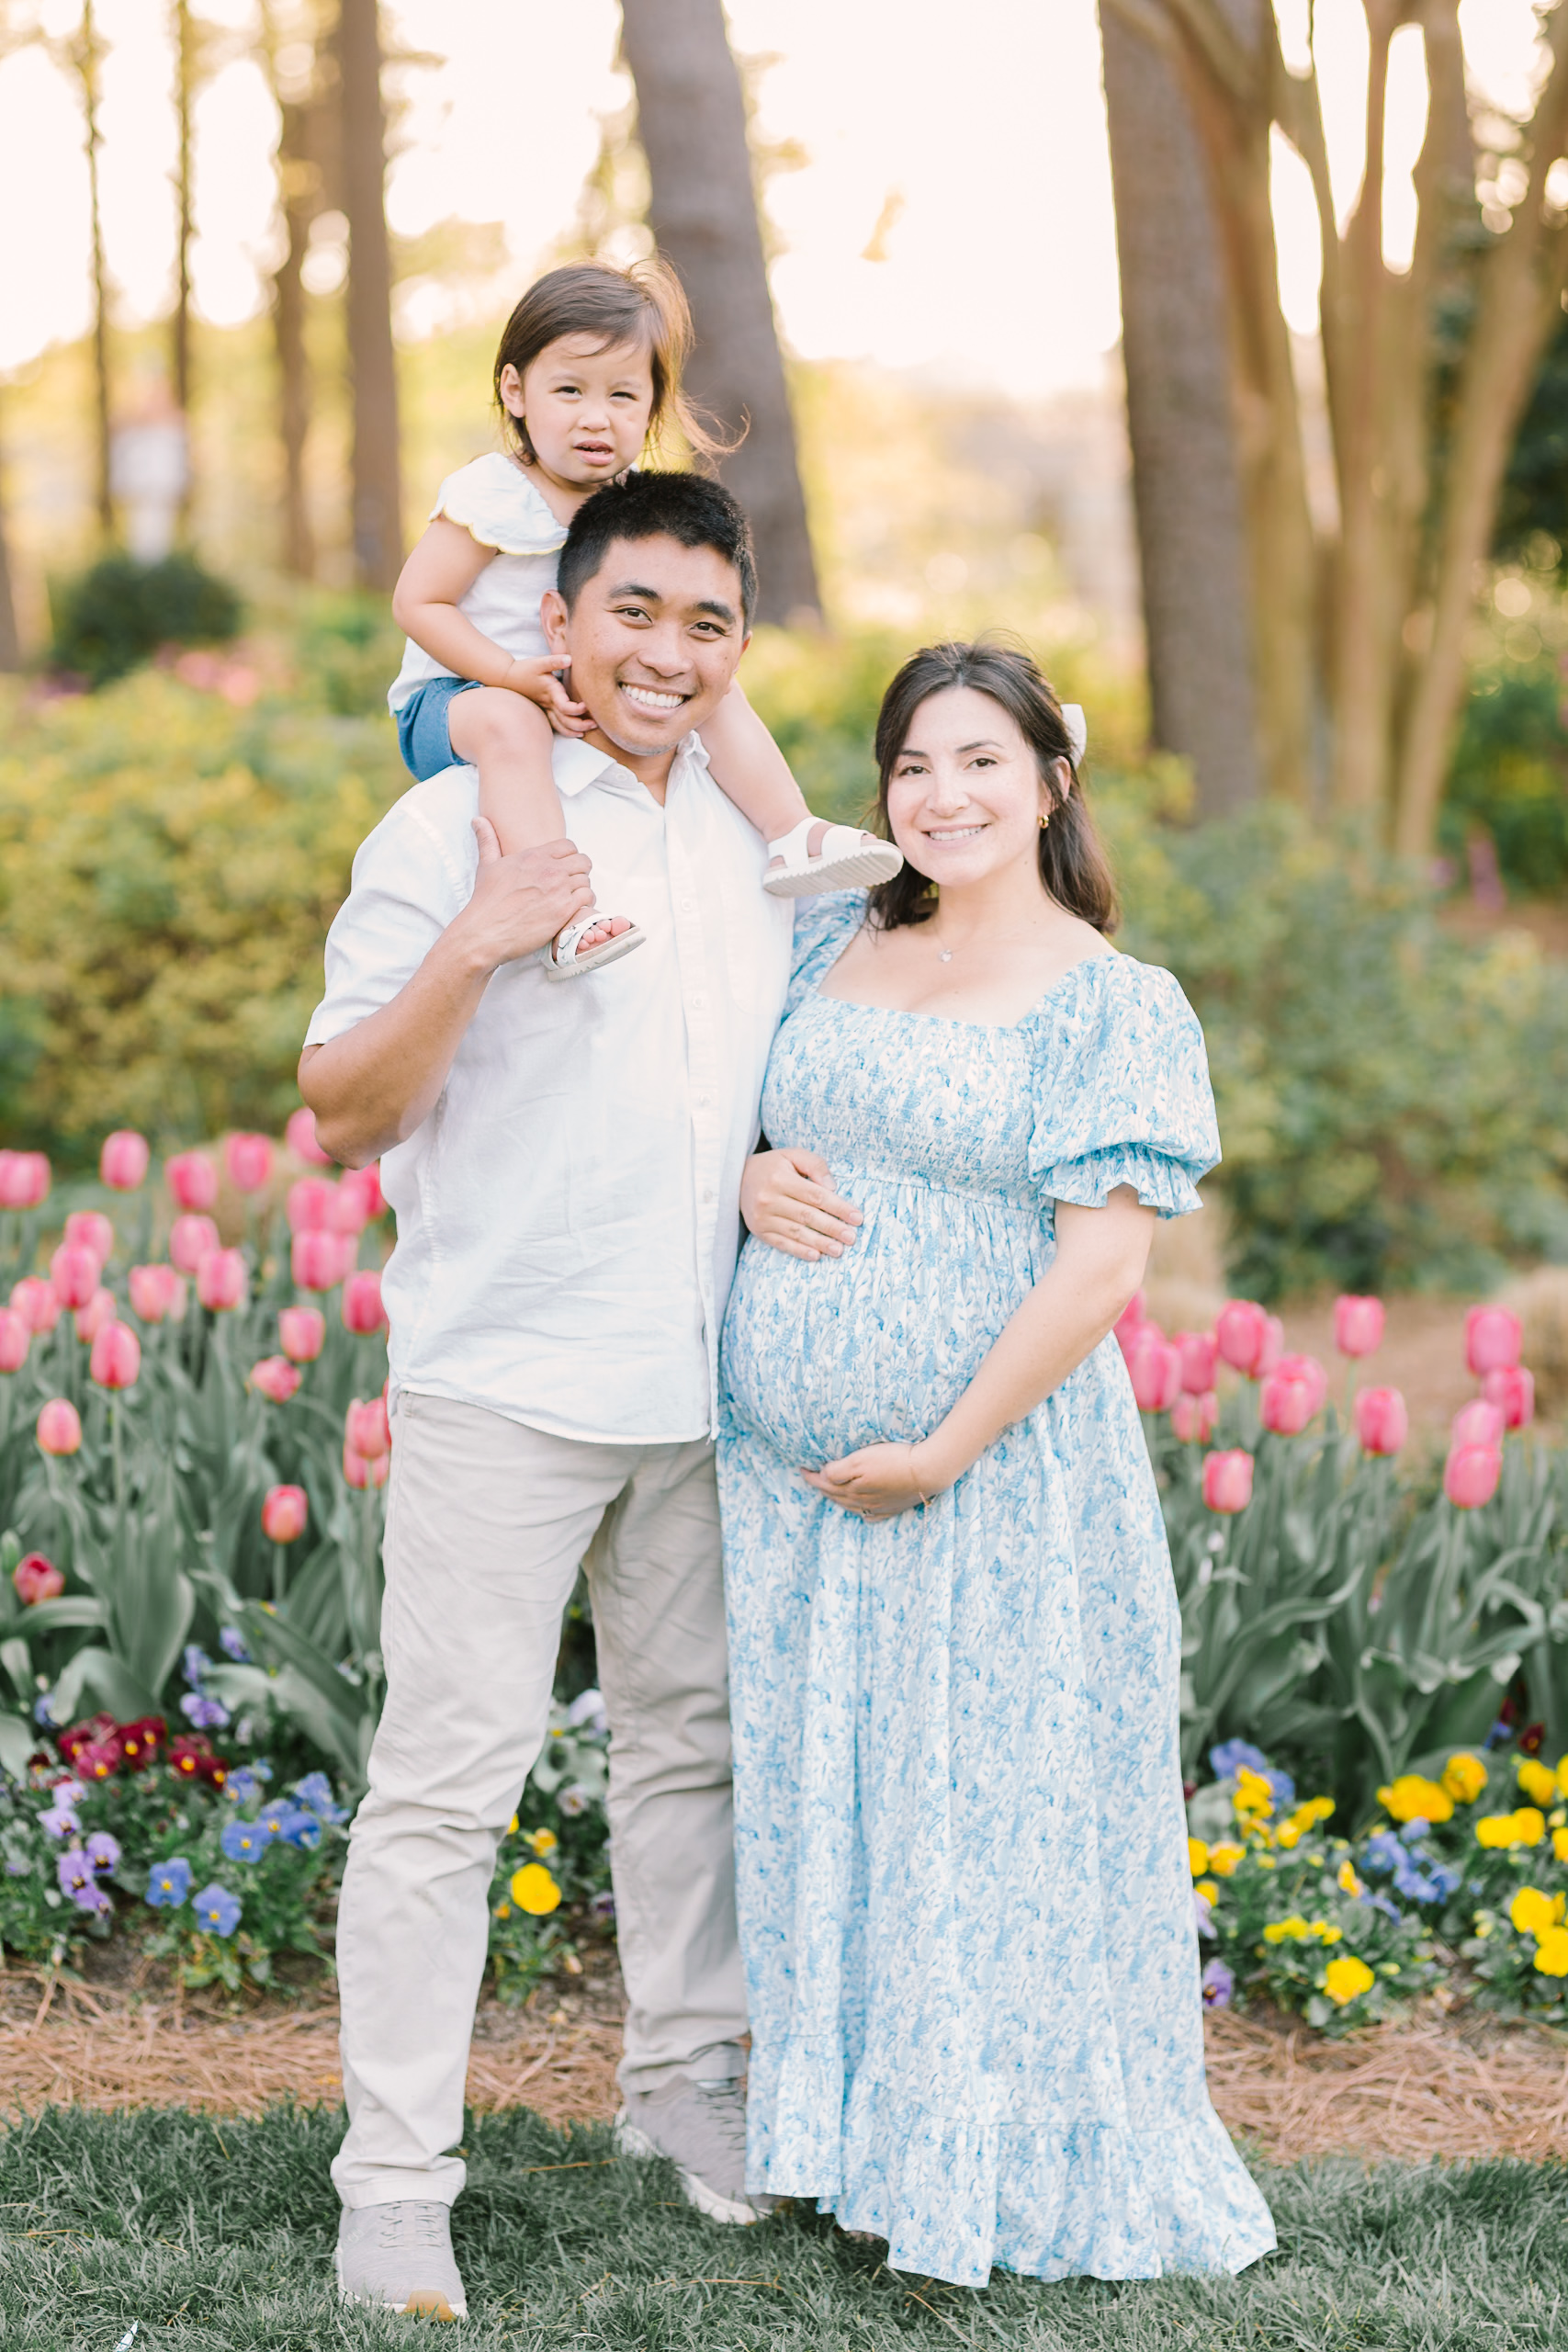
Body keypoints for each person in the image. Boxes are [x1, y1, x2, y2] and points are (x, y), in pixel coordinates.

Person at [716, 640, 1277, 2288]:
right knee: (852, 1806)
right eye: (910, 766)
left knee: (992, 1823)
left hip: (993, 1480)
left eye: (977, 761)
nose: (940, 796)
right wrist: (749, 1180)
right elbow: (743, 1124)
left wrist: (941, 1450)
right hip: (794, 1489)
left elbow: (1100, 1273)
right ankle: (860, 2144)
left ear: (1048, 780)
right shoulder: (834, 934)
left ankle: (1003, 2170)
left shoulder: (1111, 1000)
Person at [300, 470, 795, 2322]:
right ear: (560, 625)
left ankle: (684, 2095)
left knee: (693, 1756)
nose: (666, 651)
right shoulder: (448, 824)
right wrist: (481, 936)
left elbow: (802, 1073)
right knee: (442, 1792)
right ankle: (395, 2183)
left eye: (704, 622)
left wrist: (764, 1166)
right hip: (504, 1378)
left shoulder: (770, 848)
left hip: (706, 1388)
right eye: (636, 611)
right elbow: (345, 1103)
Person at [389, 257, 899, 978]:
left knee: (711, 681)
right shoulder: (492, 493)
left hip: (571, 685)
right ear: (515, 390)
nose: (596, 417)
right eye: (568, 390)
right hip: (457, 699)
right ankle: (561, 915)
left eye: (623, 396)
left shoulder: (632, 507)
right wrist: (508, 676)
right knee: (511, 725)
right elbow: (418, 602)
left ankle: (791, 833)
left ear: (652, 405)